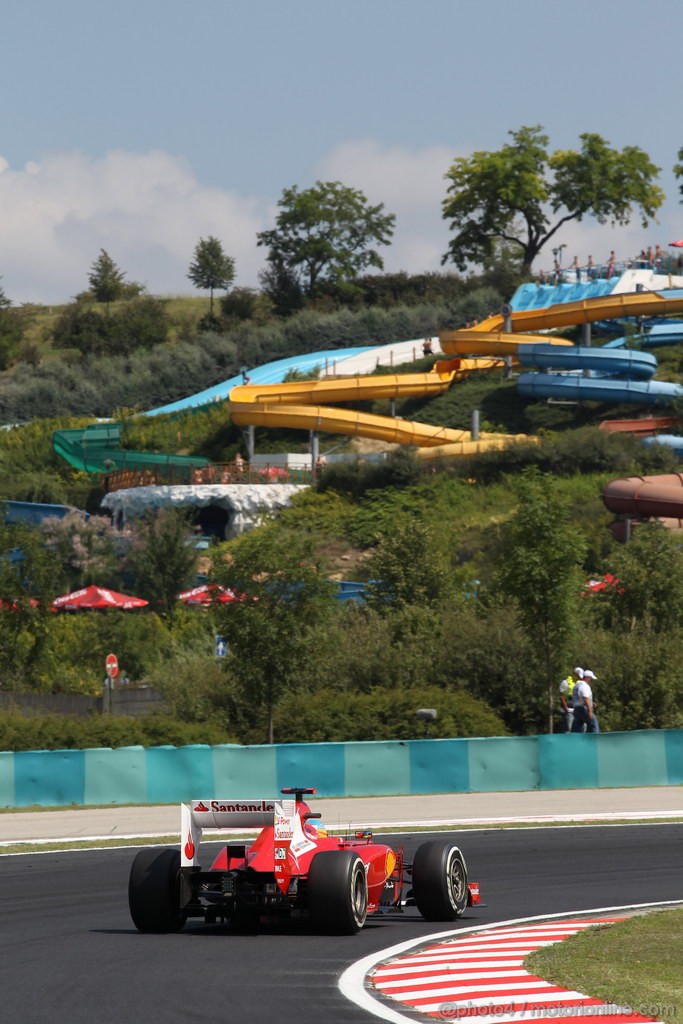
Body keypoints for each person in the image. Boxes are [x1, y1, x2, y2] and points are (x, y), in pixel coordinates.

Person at [559, 667, 582, 732]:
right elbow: (561, 696)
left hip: (577, 710)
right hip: (568, 710)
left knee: (581, 728)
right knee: (568, 729)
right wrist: (565, 707)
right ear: (573, 674)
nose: (578, 677)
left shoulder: (580, 683)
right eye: (577, 675)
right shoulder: (565, 682)